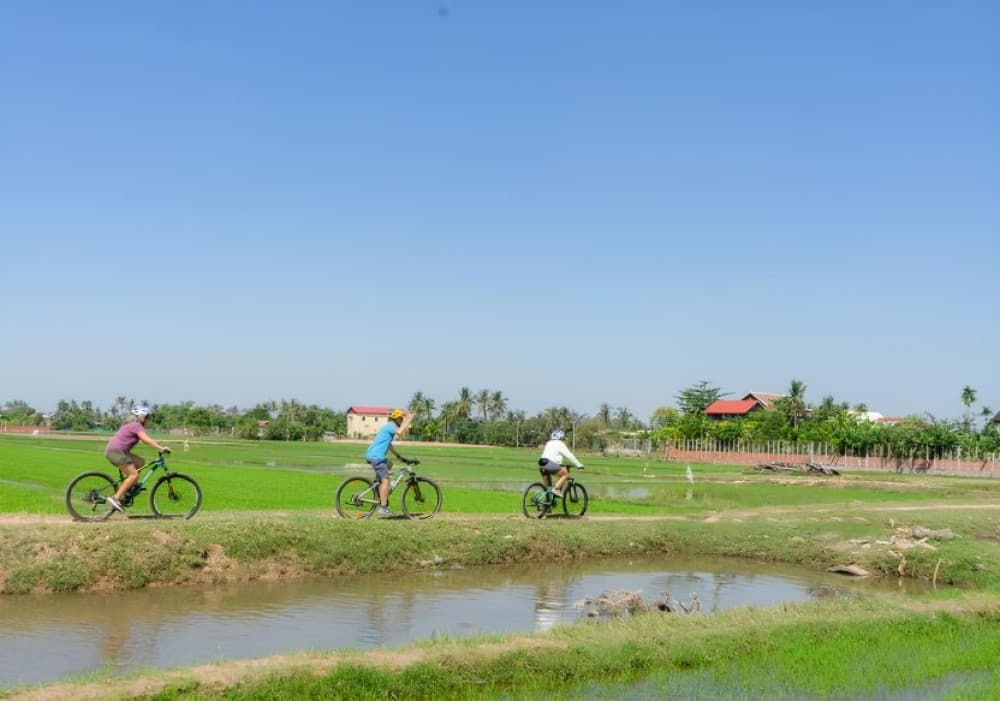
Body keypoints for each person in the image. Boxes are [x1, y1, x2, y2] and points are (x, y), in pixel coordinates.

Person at [104, 405, 171, 512]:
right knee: (133, 474)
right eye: (148, 417)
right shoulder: (136, 425)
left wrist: (157, 444)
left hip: (118, 451)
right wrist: (160, 448)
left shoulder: (132, 425)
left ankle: (130, 487)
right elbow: (145, 440)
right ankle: (116, 498)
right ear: (142, 417)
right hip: (116, 452)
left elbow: (146, 439)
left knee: (140, 462)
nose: (149, 420)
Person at [364, 408, 415, 516]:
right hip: (376, 457)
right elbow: (400, 432)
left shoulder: (389, 427)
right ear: (396, 419)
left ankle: (379, 485)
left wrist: (399, 456)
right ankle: (383, 507)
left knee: (390, 464)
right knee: (386, 480)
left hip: (374, 456)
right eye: (401, 419)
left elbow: (389, 444)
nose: (402, 420)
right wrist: (409, 418)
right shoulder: (392, 427)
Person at [538, 428, 583, 498]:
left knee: (548, 489)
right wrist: (579, 465)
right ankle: (556, 489)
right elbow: (570, 456)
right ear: (560, 437)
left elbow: (552, 456)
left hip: (542, 464)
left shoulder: (549, 443)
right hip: (550, 464)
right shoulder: (560, 444)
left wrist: (559, 464)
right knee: (565, 474)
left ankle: (546, 505)